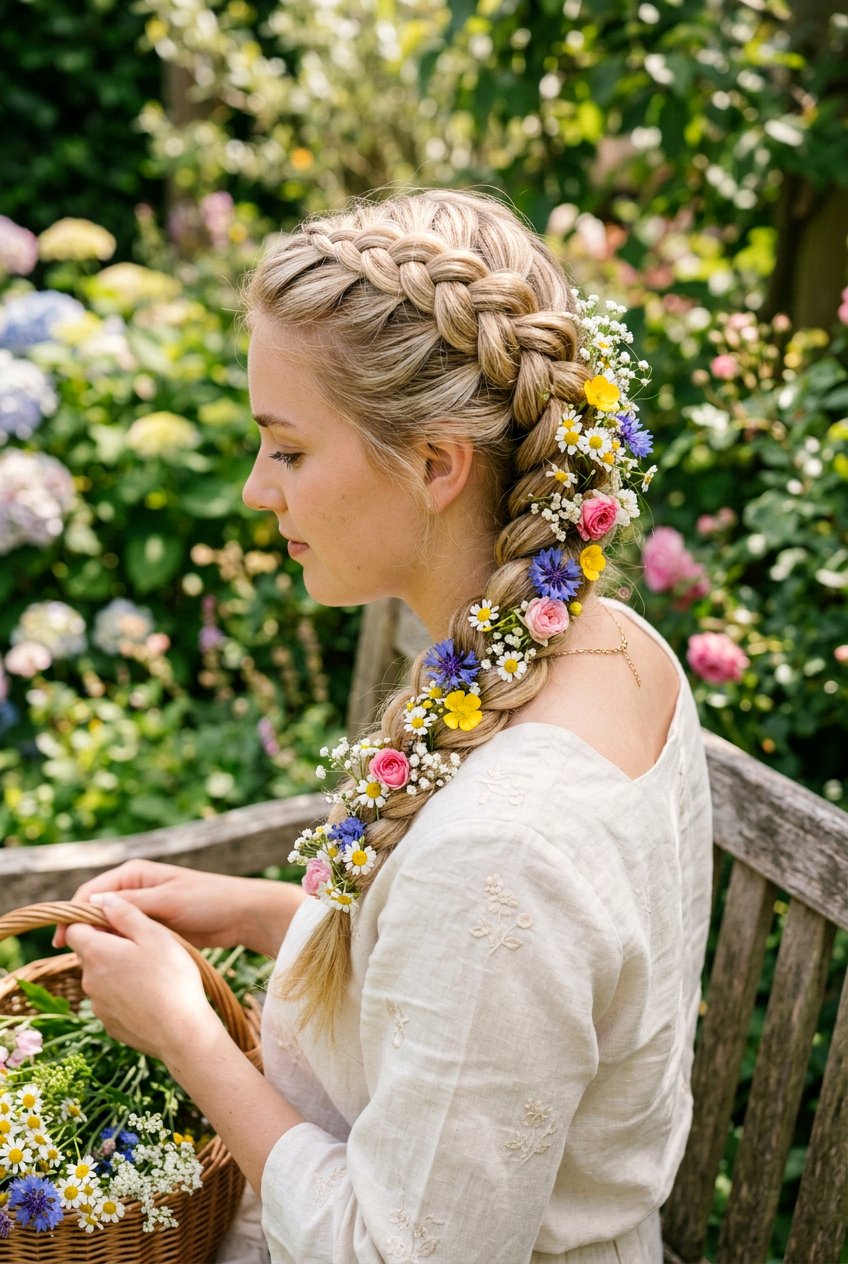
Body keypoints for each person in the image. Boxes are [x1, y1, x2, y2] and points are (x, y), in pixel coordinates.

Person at [60, 189, 713, 1264]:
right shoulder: (594, 642)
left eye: (286, 450)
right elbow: (489, 992)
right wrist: (268, 911)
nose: (254, 489)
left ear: (434, 462)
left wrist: (183, 1031)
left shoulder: (505, 848)